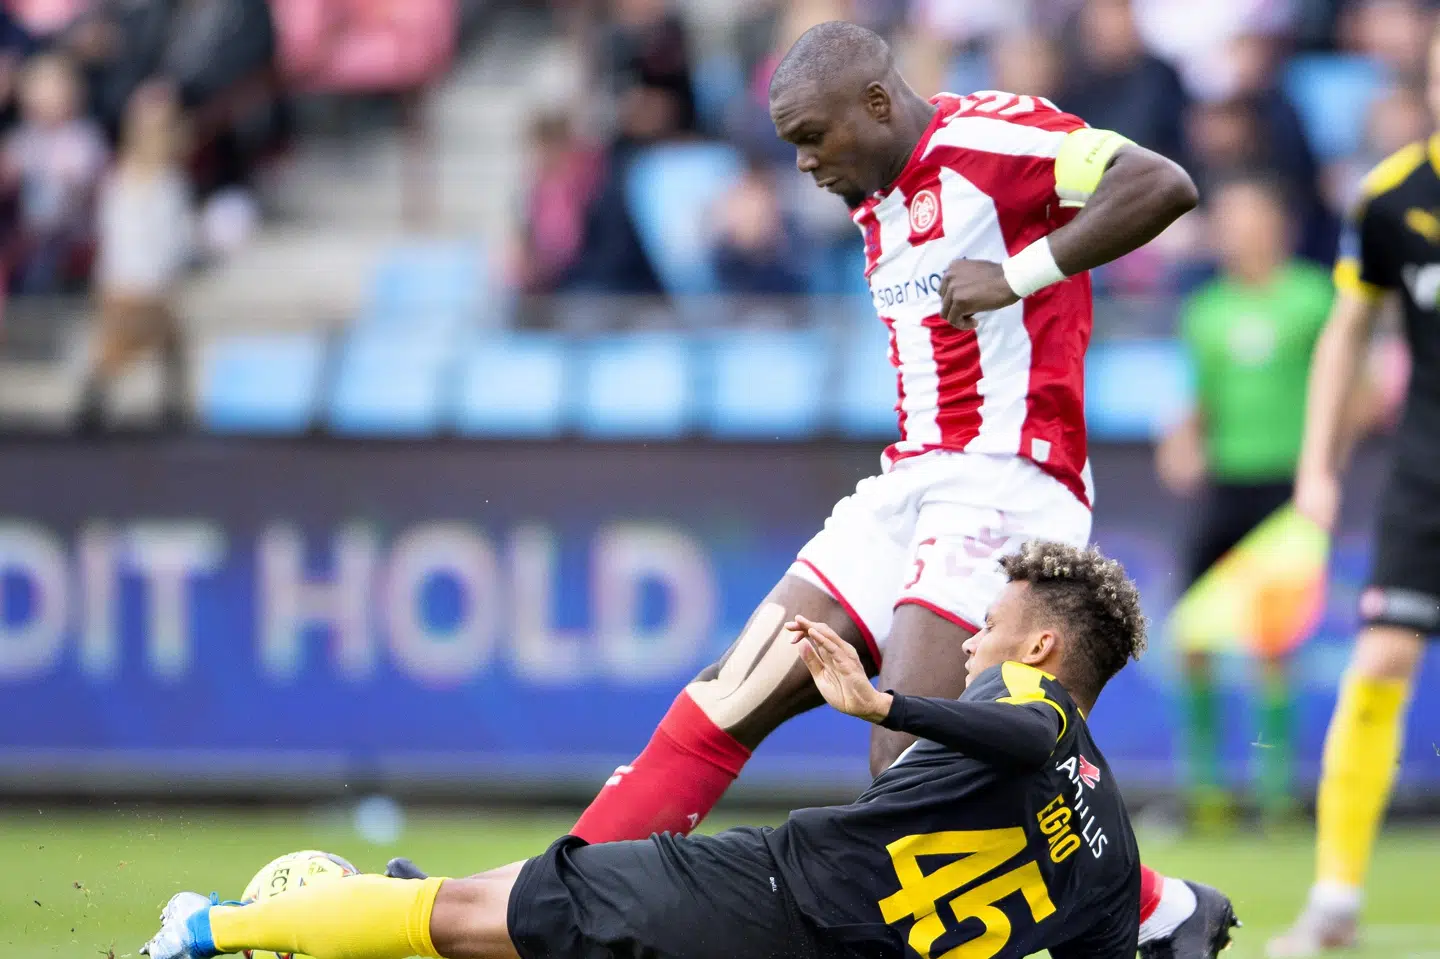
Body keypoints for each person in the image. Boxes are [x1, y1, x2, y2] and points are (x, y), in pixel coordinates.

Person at [557, 20, 1230, 958]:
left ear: (876, 105)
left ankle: (1144, 902)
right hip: (909, 478)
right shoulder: (874, 190)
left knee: (910, 765)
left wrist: (1018, 273)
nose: (801, 164)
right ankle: (545, 911)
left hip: (1007, 478)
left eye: (811, 138)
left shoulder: (999, 141)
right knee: (726, 700)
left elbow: (1162, 183)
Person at [142, 541, 1229, 959]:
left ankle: (205, 926)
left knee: (458, 914)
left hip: (757, 896)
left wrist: (886, 702)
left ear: (1041, 645)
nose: (975, 638)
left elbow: (1023, 725)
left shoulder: (1029, 705)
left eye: (990, 624)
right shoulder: (1109, 852)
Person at [1267, 21, 1440, 959]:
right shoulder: (1393, 197)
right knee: (1378, 663)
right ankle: (1335, 900)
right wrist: (1317, 469)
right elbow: (1347, 333)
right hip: (1428, 475)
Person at [1155, 173, 1336, 828]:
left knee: (1273, 642)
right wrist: (1184, 440)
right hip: (1225, 485)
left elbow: (1354, 385)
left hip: (1287, 486)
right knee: (1194, 634)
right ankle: (1206, 791)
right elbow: (1198, 400)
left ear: (1277, 225)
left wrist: (1328, 462)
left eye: (1245, 216)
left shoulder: (1314, 299)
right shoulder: (1206, 310)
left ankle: (1276, 793)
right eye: (1225, 219)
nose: (1233, 230)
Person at [77, 80, 194, 432]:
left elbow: (174, 237)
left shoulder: (167, 181)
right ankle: (95, 404)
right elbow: (124, 237)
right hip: (133, 282)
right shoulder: (128, 181)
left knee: (169, 346)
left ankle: (169, 408)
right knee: (122, 348)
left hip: (144, 280)